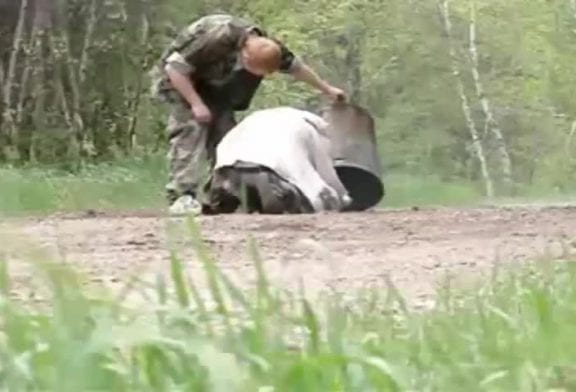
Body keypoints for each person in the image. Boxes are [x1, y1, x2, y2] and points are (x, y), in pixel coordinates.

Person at [149, 13, 346, 215]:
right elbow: (175, 69)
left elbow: (297, 68)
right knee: (191, 129)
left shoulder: (268, 47)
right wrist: (196, 104)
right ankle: (182, 196)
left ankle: (221, 194)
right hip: (180, 81)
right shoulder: (218, 36)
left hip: (214, 85)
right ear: (244, 55)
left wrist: (327, 89)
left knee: (227, 136)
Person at [200, 106, 352, 215]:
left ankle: (224, 192)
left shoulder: (260, 117)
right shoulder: (309, 128)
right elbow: (326, 172)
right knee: (312, 201)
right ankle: (279, 193)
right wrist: (343, 196)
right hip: (269, 170)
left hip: (229, 166)